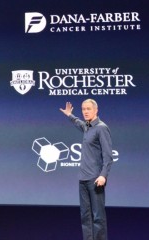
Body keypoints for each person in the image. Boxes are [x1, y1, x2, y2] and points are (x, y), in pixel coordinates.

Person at [60, 99, 113, 240]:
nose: (85, 112)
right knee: (85, 216)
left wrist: (103, 175)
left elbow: (108, 155)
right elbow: (79, 123)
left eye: (88, 109)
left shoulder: (101, 128)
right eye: (83, 109)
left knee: (98, 217)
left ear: (96, 110)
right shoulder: (87, 127)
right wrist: (70, 115)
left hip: (95, 179)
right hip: (82, 179)